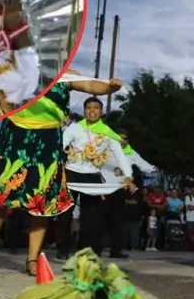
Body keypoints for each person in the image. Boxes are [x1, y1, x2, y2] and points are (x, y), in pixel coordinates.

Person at [0, 74, 122, 273]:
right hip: (15, 135)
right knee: (0, 195)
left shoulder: (63, 71)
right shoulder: (17, 64)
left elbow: (89, 84)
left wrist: (110, 88)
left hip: (47, 141)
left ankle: (32, 258)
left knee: (41, 199)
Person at [56, 97, 137, 260]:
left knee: (91, 217)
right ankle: (63, 249)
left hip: (92, 177)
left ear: (101, 112)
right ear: (84, 111)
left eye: (96, 108)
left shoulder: (107, 133)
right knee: (65, 213)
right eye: (88, 108)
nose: (92, 111)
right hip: (71, 173)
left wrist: (129, 176)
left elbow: (120, 156)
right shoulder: (74, 128)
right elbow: (60, 146)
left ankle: (85, 251)